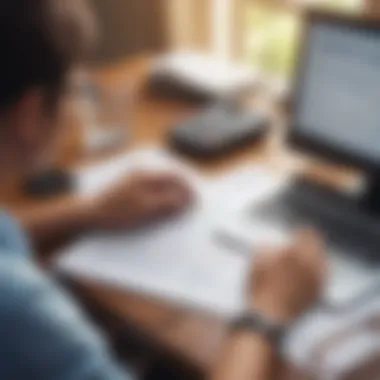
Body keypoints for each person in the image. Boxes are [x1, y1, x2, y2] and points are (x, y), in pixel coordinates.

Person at [0, 0, 326, 379]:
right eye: (74, 90)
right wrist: (266, 313)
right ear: (30, 113)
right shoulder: (19, 304)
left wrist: (90, 209)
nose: (75, 105)